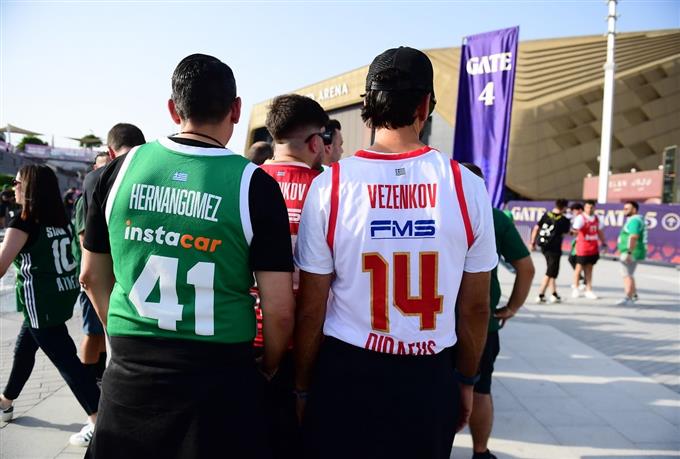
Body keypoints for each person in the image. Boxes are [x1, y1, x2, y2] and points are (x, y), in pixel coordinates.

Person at [80, 53, 295, 459]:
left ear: (173, 109)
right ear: (235, 109)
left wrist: (123, 335)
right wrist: (268, 365)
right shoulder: (254, 184)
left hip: (131, 373)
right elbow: (280, 309)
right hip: (219, 377)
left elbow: (91, 276)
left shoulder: (119, 171)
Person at [293, 46, 498, 459]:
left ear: (367, 106)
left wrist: (300, 387)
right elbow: (476, 308)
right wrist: (466, 380)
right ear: (425, 105)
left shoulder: (331, 185)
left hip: (347, 372)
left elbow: (312, 308)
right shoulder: (467, 186)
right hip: (428, 375)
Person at [0, 165, 100, 447]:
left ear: (29, 187)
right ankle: (6, 401)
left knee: (67, 361)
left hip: (40, 301)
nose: (14, 187)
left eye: (17, 182)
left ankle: (98, 418)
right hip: (60, 296)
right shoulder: (60, 219)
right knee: (24, 350)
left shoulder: (23, 223)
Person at [256, 93, 328, 458]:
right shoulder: (329, 188)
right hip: (307, 342)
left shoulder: (246, 182)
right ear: (315, 142)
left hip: (244, 336)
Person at [462, 163, 535, 459]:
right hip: (483, 323)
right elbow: (526, 268)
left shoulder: (437, 213)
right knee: (480, 390)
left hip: (438, 323)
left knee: (439, 392)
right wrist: (511, 308)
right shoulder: (496, 218)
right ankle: (480, 452)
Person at [76, 123, 146, 381]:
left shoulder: (97, 178)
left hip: (112, 287)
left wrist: (111, 322)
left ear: (110, 151)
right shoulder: (156, 173)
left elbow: (89, 268)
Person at [530, 199, 570, 303]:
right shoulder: (564, 220)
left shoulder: (546, 215)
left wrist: (532, 242)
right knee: (550, 271)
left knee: (551, 269)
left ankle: (554, 294)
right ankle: (541, 294)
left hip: (544, 246)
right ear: (564, 207)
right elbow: (566, 232)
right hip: (554, 248)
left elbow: (536, 228)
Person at [571, 199, 605, 299]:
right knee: (579, 268)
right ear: (584, 208)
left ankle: (588, 289)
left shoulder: (597, 218)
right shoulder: (580, 218)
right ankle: (576, 288)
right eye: (587, 207)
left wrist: (604, 243)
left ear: (594, 208)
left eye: (591, 207)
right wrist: (573, 232)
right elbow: (575, 230)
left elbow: (599, 232)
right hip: (583, 247)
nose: (589, 209)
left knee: (590, 269)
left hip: (593, 247)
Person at [616, 201, 647, 305]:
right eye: (624, 208)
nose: (624, 210)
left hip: (631, 251)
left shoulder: (634, 221)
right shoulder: (636, 220)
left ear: (634, 210)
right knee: (629, 274)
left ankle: (628, 297)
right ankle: (633, 295)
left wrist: (629, 252)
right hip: (631, 250)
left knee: (627, 275)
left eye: (627, 209)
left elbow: (633, 236)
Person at [567, 202, 585, 290]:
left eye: (574, 211)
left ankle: (583, 282)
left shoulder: (583, 218)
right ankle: (580, 278)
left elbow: (578, 231)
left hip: (583, 243)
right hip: (577, 243)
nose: (573, 213)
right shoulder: (576, 218)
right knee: (572, 259)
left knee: (581, 262)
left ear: (580, 210)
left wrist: (570, 231)